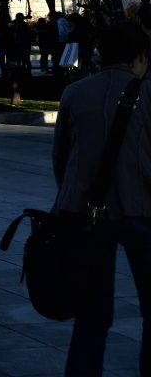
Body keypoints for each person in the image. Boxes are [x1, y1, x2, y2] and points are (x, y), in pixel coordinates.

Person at [52, 19, 151, 377]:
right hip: (142, 211)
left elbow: (62, 159)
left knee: (91, 316)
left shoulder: (74, 94)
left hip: (85, 214)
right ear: (140, 56)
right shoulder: (149, 94)